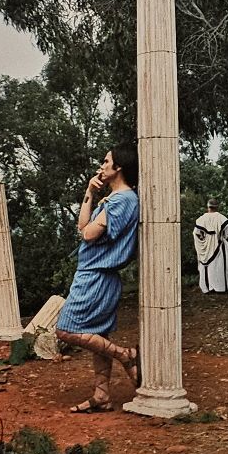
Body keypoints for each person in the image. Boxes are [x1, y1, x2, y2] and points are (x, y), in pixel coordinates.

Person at [54, 146, 143, 413]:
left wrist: (97, 204)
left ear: (119, 167)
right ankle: (102, 395)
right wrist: (90, 193)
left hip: (96, 276)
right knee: (98, 336)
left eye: (106, 161)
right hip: (95, 273)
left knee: (65, 330)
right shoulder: (113, 198)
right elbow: (82, 227)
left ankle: (126, 355)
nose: (101, 166)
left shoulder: (122, 200)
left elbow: (89, 235)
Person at [191, 199, 228, 294]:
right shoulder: (221, 218)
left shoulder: (201, 219)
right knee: (223, 265)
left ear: (208, 206)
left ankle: (209, 287)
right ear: (217, 207)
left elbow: (196, 233)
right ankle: (221, 287)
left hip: (205, 247)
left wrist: (204, 242)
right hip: (220, 246)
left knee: (208, 267)